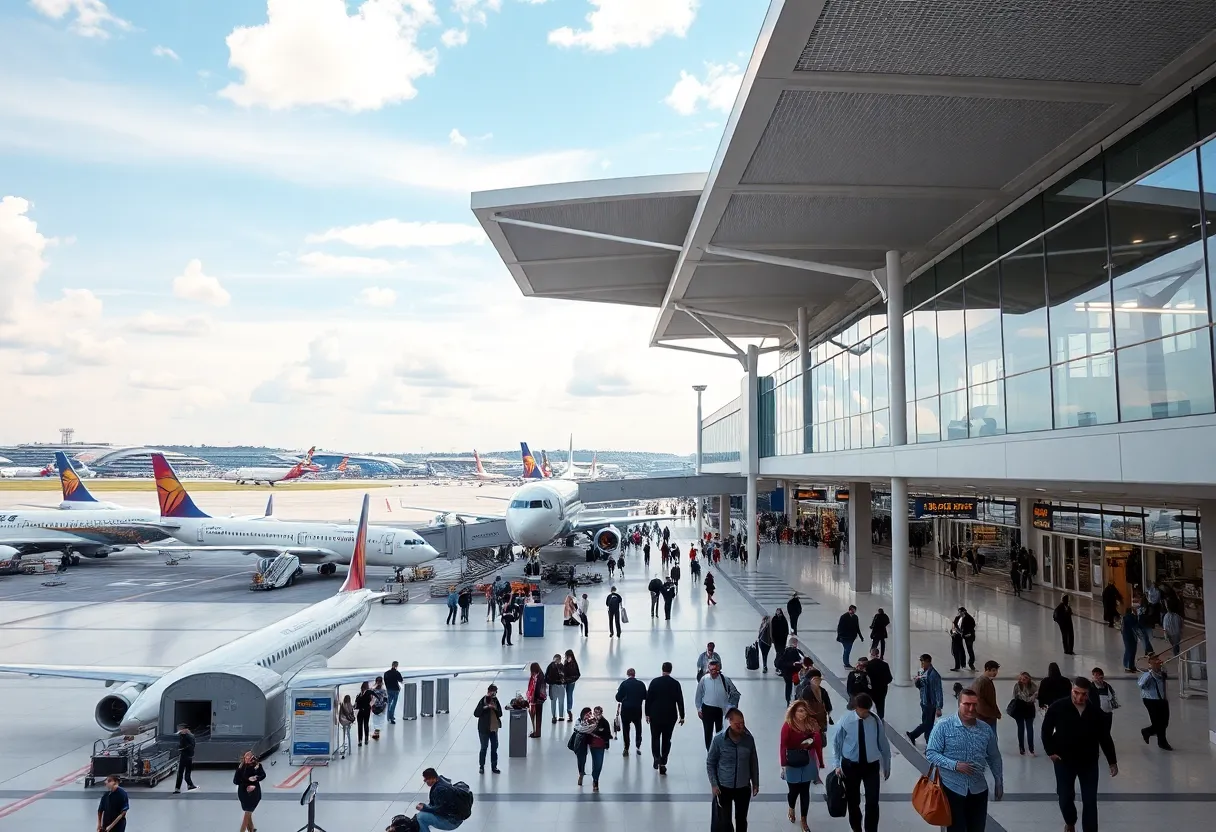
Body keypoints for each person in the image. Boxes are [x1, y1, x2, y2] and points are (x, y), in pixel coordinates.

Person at [1041, 677, 1118, 832]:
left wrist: (1112, 761)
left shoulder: (1095, 711)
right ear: (1072, 690)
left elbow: (1104, 736)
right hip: (1064, 761)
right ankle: (1070, 821)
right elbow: (1046, 731)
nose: (1079, 697)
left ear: (1088, 694)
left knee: (1090, 801)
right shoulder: (1058, 707)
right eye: (1076, 693)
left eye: (1084, 694)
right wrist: (1050, 752)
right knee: (1064, 797)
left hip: (1088, 762)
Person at [925, 688, 1004, 832]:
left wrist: (998, 780)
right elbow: (931, 753)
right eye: (967, 704)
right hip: (951, 788)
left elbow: (994, 756)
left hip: (978, 788)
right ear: (959, 703)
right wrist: (955, 765)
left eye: (974, 704)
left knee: (977, 828)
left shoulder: (985, 729)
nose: (971, 708)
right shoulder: (943, 726)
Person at [832, 692, 890, 832]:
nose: (865, 714)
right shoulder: (846, 721)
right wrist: (837, 765)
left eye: (868, 711)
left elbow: (883, 744)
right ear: (856, 708)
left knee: (872, 801)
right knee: (853, 801)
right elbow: (837, 744)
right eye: (863, 711)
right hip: (851, 765)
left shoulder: (875, 721)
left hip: (871, 765)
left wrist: (887, 766)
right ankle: (856, 828)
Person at [707, 708, 760, 832]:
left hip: (743, 787)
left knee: (741, 820)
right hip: (723, 787)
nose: (741, 726)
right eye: (737, 724)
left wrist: (755, 782)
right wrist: (714, 784)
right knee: (724, 822)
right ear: (730, 722)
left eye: (743, 723)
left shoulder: (749, 739)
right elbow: (710, 763)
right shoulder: (719, 740)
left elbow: (753, 761)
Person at [780, 700, 821, 831]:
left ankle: (804, 819)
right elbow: (783, 746)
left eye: (804, 711)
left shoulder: (810, 724)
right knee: (793, 791)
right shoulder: (788, 726)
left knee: (804, 791)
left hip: (806, 761)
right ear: (794, 712)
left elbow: (817, 741)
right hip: (792, 762)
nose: (803, 714)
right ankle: (791, 807)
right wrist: (783, 764)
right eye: (800, 711)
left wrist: (814, 737)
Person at [645, 661, 686, 775]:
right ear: (671, 670)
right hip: (670, 716)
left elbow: (649, 699)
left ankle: (656, 757)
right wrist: (682, 716)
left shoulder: (655, 682)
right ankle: (663, 761)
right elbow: (680, 700)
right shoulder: (675, 683)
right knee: (667, 739)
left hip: (655, 715)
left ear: (662, 669)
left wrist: (647, 713)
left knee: (655, 737)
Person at [695, 660, 740, 750]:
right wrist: (699, 709)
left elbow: (735, 693)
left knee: (720, 731)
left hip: (720, 710)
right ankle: (709, 751)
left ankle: (719, 749)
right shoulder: (704, 679)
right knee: (708, 731)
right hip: (707, 708)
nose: (713, 672)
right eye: (711, 670)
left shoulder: (725, 680)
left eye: (715, 670)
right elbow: (698, 695)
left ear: (719, 669)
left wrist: (731, 707)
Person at [907, 653, 943, 745]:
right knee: (927, 723)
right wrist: (917, 682)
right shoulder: (921, 671)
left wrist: (939, 707)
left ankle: (914, 734)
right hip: (923, 701)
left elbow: (938, 691)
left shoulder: (934, 675)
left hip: (930, 703)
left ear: (928, 662)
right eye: (921, 662)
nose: (922, 664)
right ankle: (928, 740)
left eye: (923, 662)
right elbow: (920, 687)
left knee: (927, 723)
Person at [1138, 653, 1172, 750]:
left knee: (1165, 722)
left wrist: (1160, 666)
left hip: (1162, 699)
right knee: (1157, 723)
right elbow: (1141, 685)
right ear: (1150, 663)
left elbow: (1164, 675)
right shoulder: (1146, 675)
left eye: (1158, 659)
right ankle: (1162, 742)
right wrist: (1152, 670)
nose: (1158, 662)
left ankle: (1147, 731)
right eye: (1155, 660)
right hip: (1151, 700)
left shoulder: (1161, 672)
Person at [615, 668, 646, 756]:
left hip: (626, 710)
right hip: (637, 709)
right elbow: (645, 696)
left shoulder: (624, 684)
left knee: (626, 729)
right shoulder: (640, 684)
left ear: (627, 674)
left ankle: (626, 747)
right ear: (634, 674)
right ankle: (638, 744)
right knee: (638, 727)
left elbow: (618, 698)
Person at [233, 750, 266, 832]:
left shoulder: (257, 766)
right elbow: (235, 781)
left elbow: (263, 775)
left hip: (254, 793)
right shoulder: (241, 768)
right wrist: (246, 781)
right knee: (248, 813)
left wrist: (256, 778)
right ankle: (251, 829)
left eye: (249, 758)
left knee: (248, 813)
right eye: (246, 758)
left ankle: (243, 830)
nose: (247, 760)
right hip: (244, 793)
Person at [473, 684, 502, 775]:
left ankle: (494, 766)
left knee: (494, 748)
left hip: (493, 729)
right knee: (484, 747)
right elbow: (476, 713)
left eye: (496, 692)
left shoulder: (496, 701)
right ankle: (481, 766)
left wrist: (495, 708)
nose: (495, 693)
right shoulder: (483, 700)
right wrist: (485, 708)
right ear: (489, 691)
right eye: (494, 691)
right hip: (484, 729)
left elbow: (500, 713)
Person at [1009, 672, 1039, 756]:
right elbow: (1035, 696)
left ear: (1028, 679)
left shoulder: (1019, 686)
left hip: (1022, 708)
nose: (1023, 680)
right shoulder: (1032, 686)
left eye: (1024, 679)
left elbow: (1015, 696)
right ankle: (1028, 749)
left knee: (1024, 728)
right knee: (1026, 728)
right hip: (1025, 708)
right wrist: (1032, 697)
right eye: (1022, 679)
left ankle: (1025, 748)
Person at [972, 661, 1001, 732]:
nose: (995, 673)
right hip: (984, 719)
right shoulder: (981, 682)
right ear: (987, 669)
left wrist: (996, 712)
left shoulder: (988, 681)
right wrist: (992, 714)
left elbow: (991, 700)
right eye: (993, 670)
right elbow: (979, 702)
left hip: (989, 718)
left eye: (996, 670)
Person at [1087, 667, 1118, 735]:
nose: (1098, 678)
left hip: (1107, 714)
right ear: (1093, 677)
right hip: (1096, 715)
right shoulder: (1090, 688)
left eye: (1100, 676)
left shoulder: (1107, 686)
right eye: (1096, 676)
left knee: (1106, 733)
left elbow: (1113, 698)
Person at [864, 648, 892, 719]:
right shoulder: (885, 664)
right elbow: (889, 678)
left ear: (871, 654)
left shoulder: (868, 665)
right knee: (881, 704)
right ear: (878, 654)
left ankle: (870, 717)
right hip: (882, 689)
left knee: (870, 703)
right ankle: (880, 717)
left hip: (871, 689)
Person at [775, 637, 805, 704]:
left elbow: (779, 664)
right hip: (795, 673)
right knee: (797, 686)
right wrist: (794, 664)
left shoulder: (783, 651)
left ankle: (788, 700)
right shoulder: (798, 652)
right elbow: (803, 662)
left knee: (788, 686)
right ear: (795, 644)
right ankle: (796, 699)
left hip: (786, 673)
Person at [173, 723, 198, 794]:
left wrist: (180, 748)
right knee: (187, 772)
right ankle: (190, 785)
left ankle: (178, 788)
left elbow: (183, 746)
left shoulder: (186, 736)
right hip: (189, 756)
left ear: (185, 729)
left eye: (181, 729)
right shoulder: (190, 736)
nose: (180, 730)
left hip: (185, 756)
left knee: (181, 772)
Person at [545, 654, 567, 724]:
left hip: (558, 686)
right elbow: (546, 676)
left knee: (560, 701)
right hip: (555, 686)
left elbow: (565, 676)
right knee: (554, 702)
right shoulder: (551, 666)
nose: (557, 661)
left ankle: (560, 716)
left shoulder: (561, 666)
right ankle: (554, 716)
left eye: (558, 660)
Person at [527, 662, 546, 738]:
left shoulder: (540, 676)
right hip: (534, 699)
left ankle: (537, 733)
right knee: (534, 715)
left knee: (538, 716)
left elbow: (539, 689)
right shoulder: (535, 676)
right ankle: (535, 731)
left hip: (538, 699)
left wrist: (535, 698)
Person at [562, 650, 580, 721]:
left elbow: (577, 674)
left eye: (568, 656)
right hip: (566, 682)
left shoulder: (574, 664)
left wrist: (571, 680)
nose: (567, 658)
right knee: (564, 695)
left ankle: (569, 710)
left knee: (569, 695)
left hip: (571, 683)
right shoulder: (566, 662)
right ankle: (563, 711)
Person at [1120, 606, 1140, 671]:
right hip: (1131, 636)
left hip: (1127, 636)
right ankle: (1129, 665)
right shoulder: (1130, 618)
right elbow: (1136, 624)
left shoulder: (1124, 618)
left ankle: (1129, 665)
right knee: (1131, 651)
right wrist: (1136, 615)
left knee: (1129, 650)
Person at [355, 680, 373, 746]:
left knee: (360, 726)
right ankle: (366, 739)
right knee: (366, 724)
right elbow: (370, 702)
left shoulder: (358, 695)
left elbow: (356, 704)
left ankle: (360, 741)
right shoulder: (368, 695)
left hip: (360, 712)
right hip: (366, 711)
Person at [371, 676, 388, 740]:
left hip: (374, 707)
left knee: (375, 720)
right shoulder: (383, 690)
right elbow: (386, 699)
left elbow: (371, 698)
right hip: (381, 707)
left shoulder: (373, 690)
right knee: (380, 720)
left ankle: (376, 733)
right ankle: (377, 733)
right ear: (382, 682)